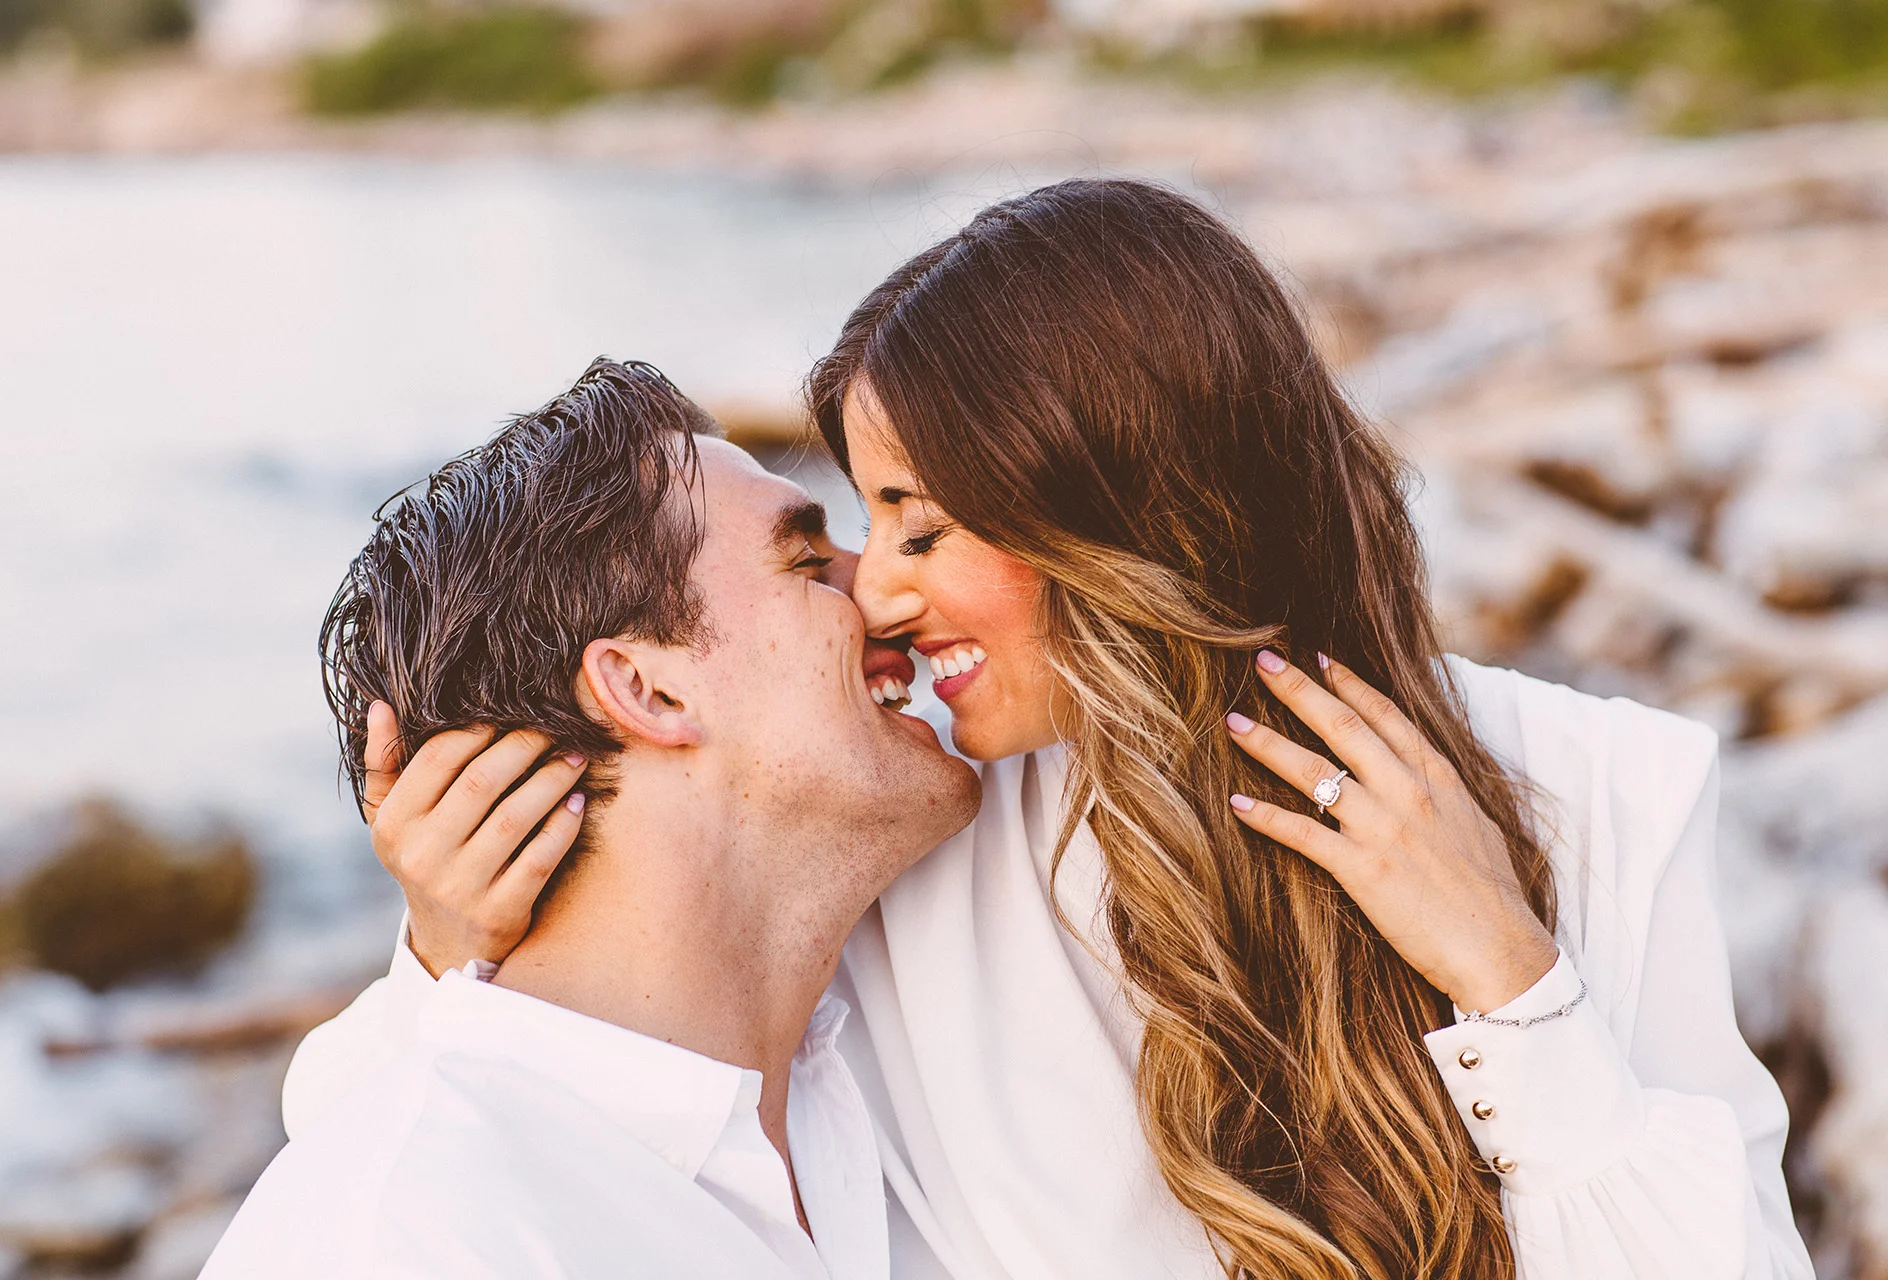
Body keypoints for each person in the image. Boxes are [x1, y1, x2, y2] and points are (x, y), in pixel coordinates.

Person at [290, 183, 1812, 1279]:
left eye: (919, 523)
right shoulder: (923, 838)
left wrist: (1514, 986)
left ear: (1116, 509)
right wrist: (447, 952)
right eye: (850, 530)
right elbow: (472, 1168)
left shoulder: (1594, 793)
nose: (878, 595)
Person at [202, 358, 980, 1279]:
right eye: (809, 563)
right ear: (646, 689)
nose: (881, 592)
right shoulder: (418, 1238)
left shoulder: (883, 1054)